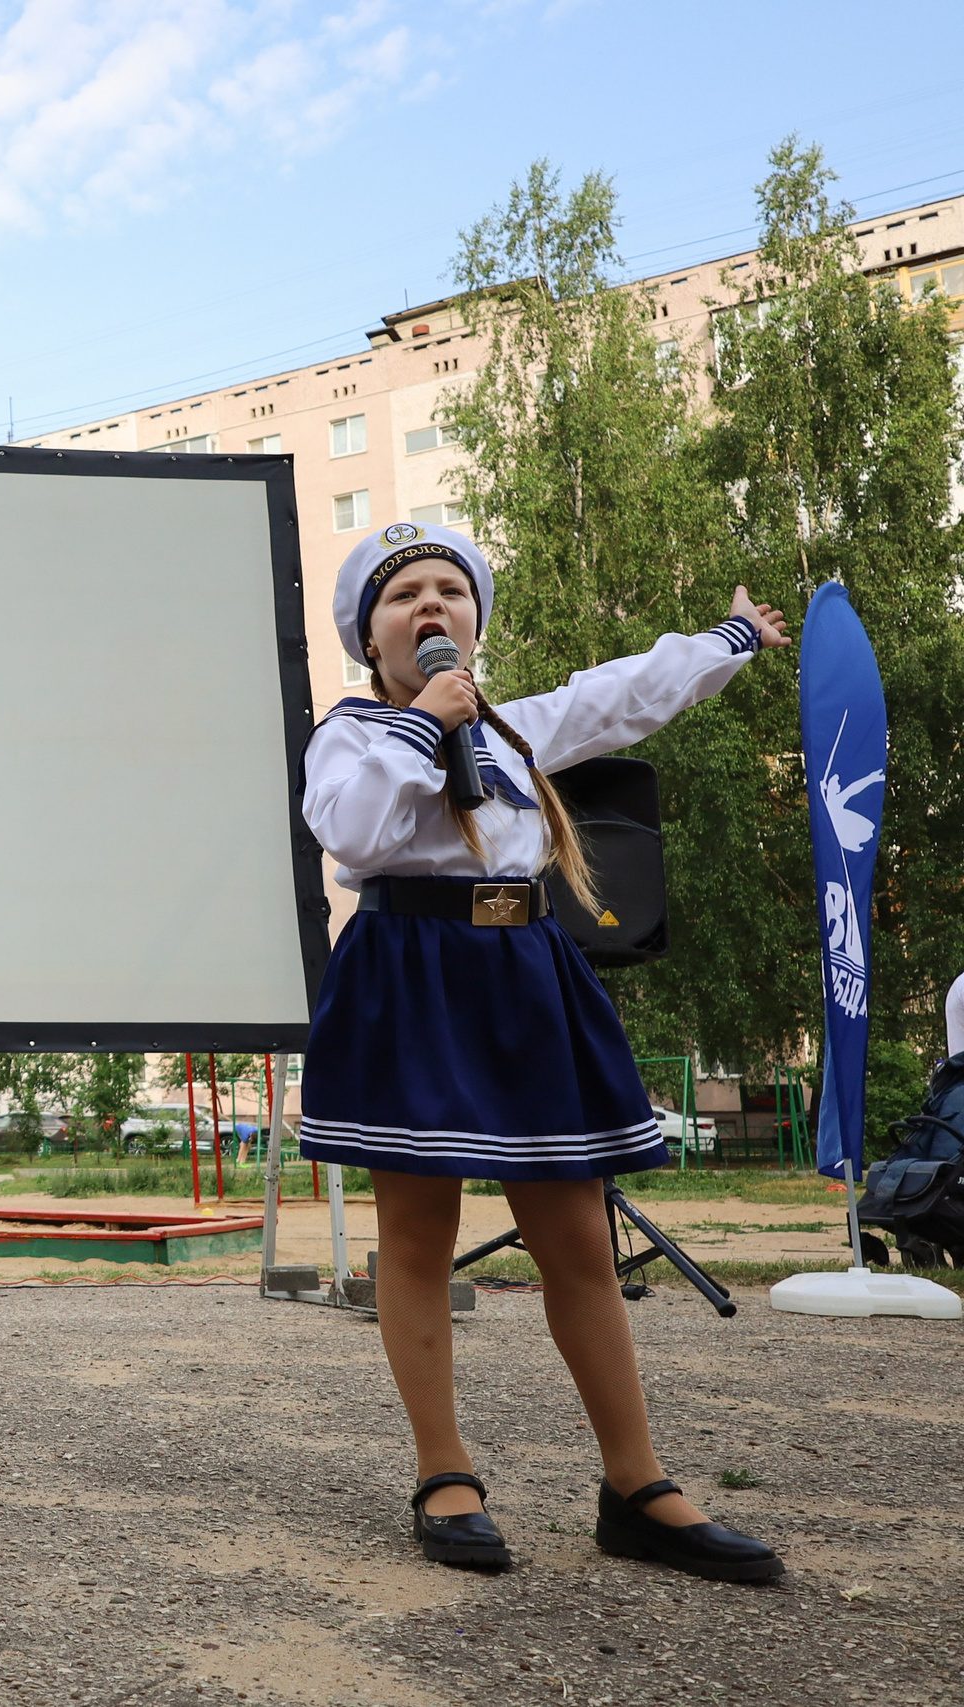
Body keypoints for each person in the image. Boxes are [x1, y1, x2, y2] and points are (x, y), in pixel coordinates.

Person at [298, 522, 785, 1581]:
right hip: (411, 973)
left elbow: (617, 695)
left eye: (447, 591)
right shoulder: (353, 734)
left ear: (472, 619)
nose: (430, 607)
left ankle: (636, 1486)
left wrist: (730, 639)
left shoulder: (515, 730)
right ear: (368, 637)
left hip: (523, 971)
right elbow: (358, 835)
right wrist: (425, 724)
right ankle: (444, 1472)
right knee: (417, 1238)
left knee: (576, 1240)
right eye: (403, 597)